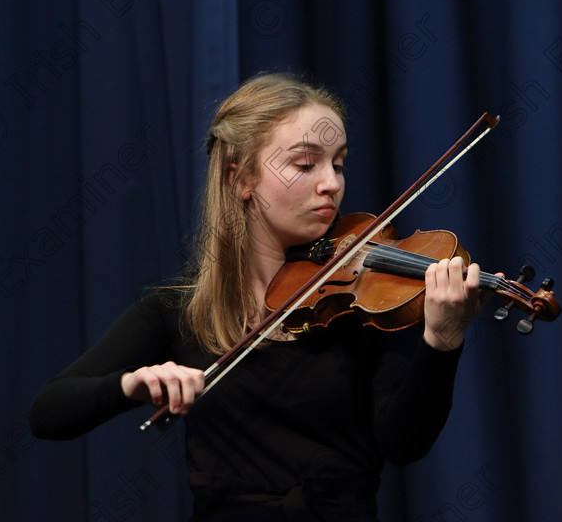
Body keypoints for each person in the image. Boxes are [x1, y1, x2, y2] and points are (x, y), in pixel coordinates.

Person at [29, 72, 490, 521]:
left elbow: (405, 444)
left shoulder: (362, 301)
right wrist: (133, 382)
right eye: (305, 164)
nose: (331, 182)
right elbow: (49, 413)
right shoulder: (177, 311)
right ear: (241, 179)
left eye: (339, 163)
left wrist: (442, 342)